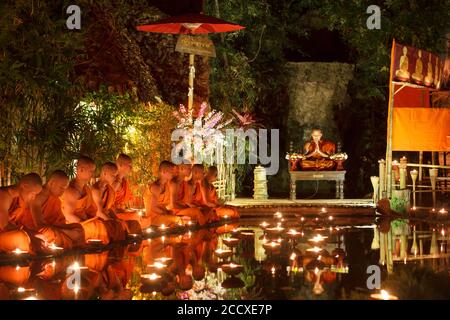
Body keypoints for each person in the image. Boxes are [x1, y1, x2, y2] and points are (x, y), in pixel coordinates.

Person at [24, 170, 85, 249]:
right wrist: (65, 231)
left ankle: (67, 239)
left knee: (78, 227)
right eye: (61, 188)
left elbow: (59, 221)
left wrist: (65, 229)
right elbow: (39, 225)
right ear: (51, 183)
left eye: (65, 189)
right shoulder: (38, 196)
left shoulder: (54, 198)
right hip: (38, 230)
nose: (63, 192)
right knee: (51, 234)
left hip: (54, 227)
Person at [61, 156, 109, 244]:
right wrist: (86, 224)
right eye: (91, 171)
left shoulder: (87, 189)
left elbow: (91, 210)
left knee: (108, 226)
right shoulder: (71, 190)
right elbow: (68, 216)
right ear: (81, 170)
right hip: (73, 225)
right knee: (100, 229)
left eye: (93, 171)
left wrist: (92, 220)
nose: (93, 174)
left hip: (85, 222)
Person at [0, 173, 43, 254]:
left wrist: (33, 234)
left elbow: (18, 224)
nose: (33, 198)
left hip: (8, 235)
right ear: (24, 186)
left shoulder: (20, 201)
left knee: (38, 237)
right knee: (21, 237)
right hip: (4, 235)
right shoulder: (3, 195)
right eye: (33, 193)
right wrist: (30, 234)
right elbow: (5, 226)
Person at [145, 161, 182, 226]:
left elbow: (165, 205)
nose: (173, 174)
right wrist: (165, 212)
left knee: (179, 218)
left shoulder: (166, 186)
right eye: (171, 171)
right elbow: (153, 207)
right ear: (163, 172)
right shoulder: (155, 187)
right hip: (153, 217)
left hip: (162, 214)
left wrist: (168, 211)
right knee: (177, 220)